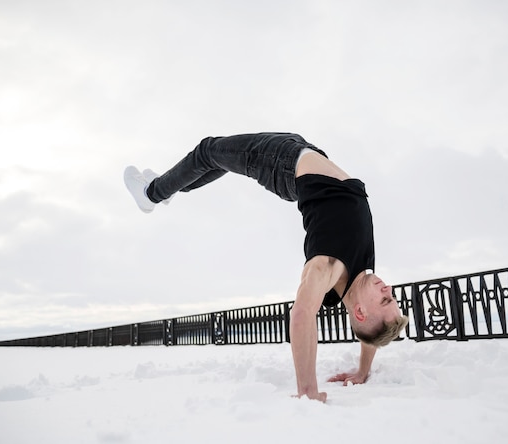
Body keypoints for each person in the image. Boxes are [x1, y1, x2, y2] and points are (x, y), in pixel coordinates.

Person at [124, 132, 408, 402]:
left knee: (208, 150)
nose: (389, 290)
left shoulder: (327, 266)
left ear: (359, 311)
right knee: (215, 157)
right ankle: (168, 186)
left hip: (282, 161)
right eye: (392, 297)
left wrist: (308, 390)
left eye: (385, 299)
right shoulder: (361, 274)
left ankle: (151, 194)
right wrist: (362, 371)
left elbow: (302, 314)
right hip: (299, 150)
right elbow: (372, 332)